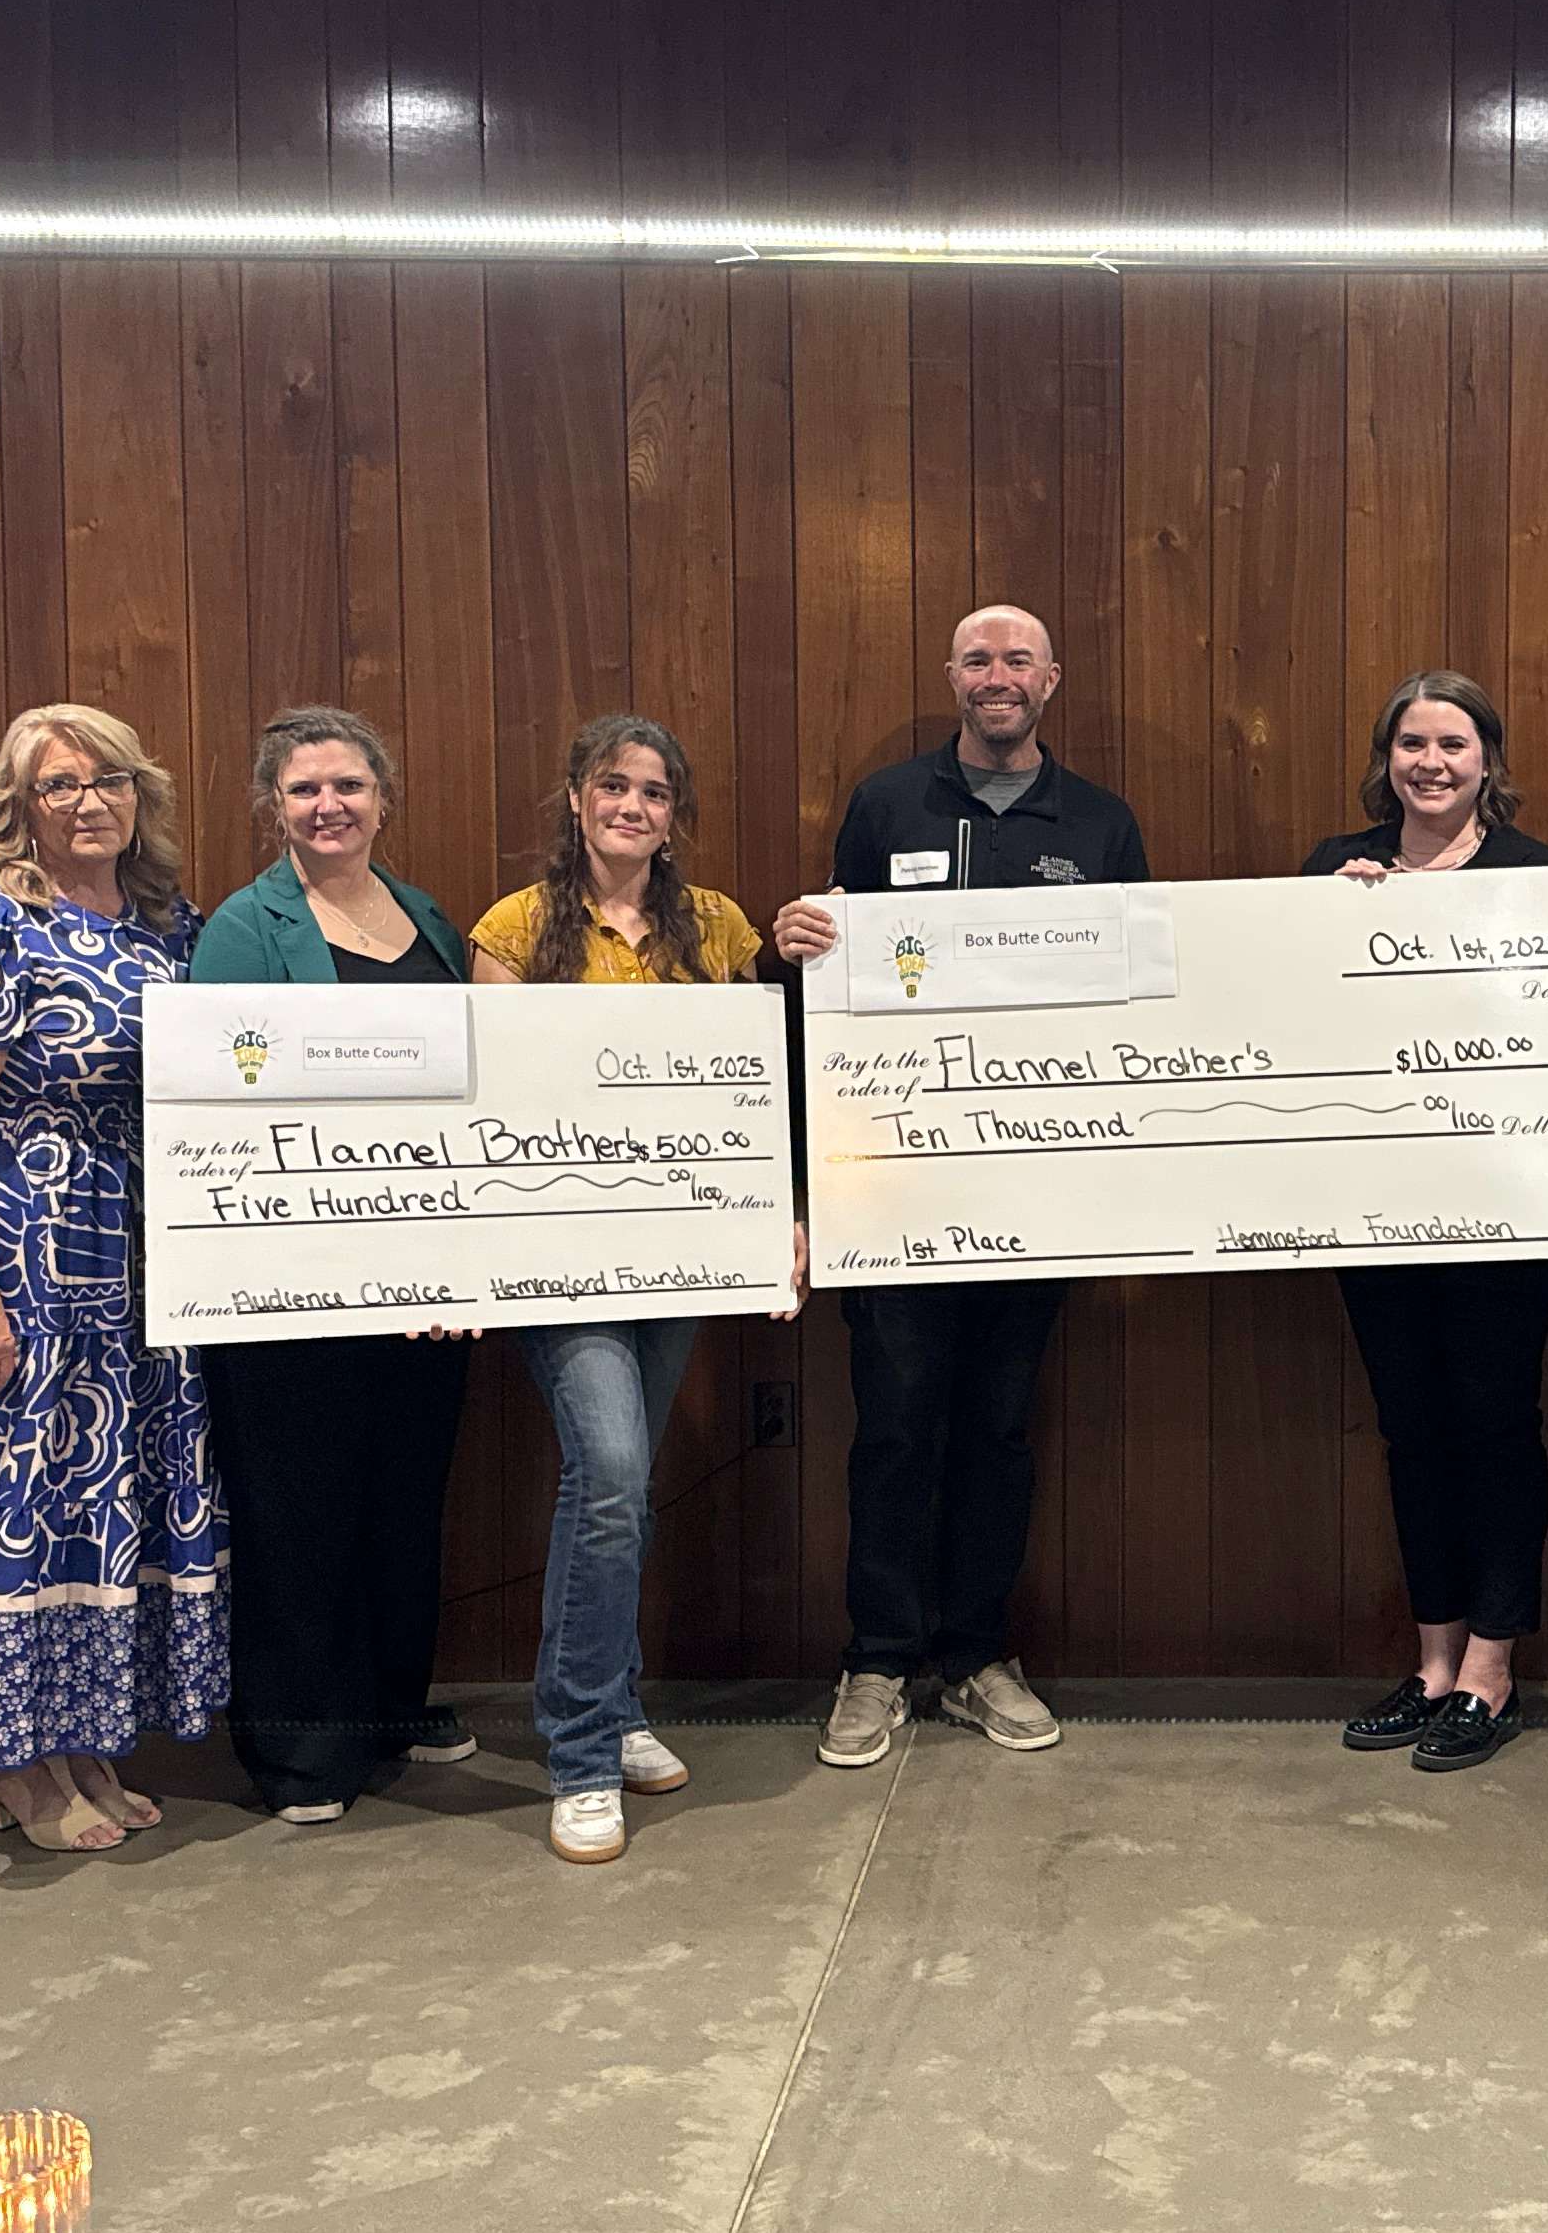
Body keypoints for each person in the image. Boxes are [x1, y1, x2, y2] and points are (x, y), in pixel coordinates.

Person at [770, 603, 1148, 1769]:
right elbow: (833, 983)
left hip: (1036, 1193)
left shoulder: (1100, 823)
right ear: (952, 677)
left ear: (1051, 679)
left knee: (997, 1430)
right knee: (893, 1428)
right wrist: (793, 943)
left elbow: (1143, 994)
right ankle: (879, 1660)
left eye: (1017, 659)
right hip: (893, 1189)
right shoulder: (889, 804)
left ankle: (979, 1655)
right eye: (978, 659)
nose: (998, 675)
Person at [0, 703, 224, 1851]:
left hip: (132, 1257)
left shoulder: (168, 928)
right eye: (60, 785)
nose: (88, 802)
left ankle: (82, 1743)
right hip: (17, 1250)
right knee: (16, 1497)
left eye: (109, 780)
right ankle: (13, 1764)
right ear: (20, 807)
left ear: (141, 797)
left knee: (95, 1499)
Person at [474, 713, 798, 1864]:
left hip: (682, 1247)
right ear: (575, 799)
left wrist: (777, 1221)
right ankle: (578, 1749)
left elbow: (754, 1092)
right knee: (610, 1474)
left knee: (625, 1487)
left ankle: (613, 1706)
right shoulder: (515, 928)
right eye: (613, 785)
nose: (632, 807)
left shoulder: (716, 926)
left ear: (674, 815)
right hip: (558, 1255)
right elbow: (485, 1101)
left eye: (655, 792)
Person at [1300, 672, 1548, 1774]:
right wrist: (1328, 924)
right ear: (1384, 758)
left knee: (1495, 1425)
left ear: (1489, 761)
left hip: (1504, 1203)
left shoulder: (1543, 878)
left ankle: (1492, 1670)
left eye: (1453, 743)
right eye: (1411, 743)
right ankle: (1433, 1663)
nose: (1430, 763)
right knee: (1412, 1428)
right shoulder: (1334, 871)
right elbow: (1289, 1018)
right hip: (1374, 1205)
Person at [188, 709, 476, 1830]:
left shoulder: (427, 916)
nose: (329, 806)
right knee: (297, 1509)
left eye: (348, 785)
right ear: (274, 808)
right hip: (291, 1276)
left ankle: (386, 1711)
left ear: (382, 800)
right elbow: (224, 1109)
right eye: (305, 789)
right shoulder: (242, 929)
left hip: (423, 1282)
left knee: (402, 1501)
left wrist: (461, 1264)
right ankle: (302, 1749)